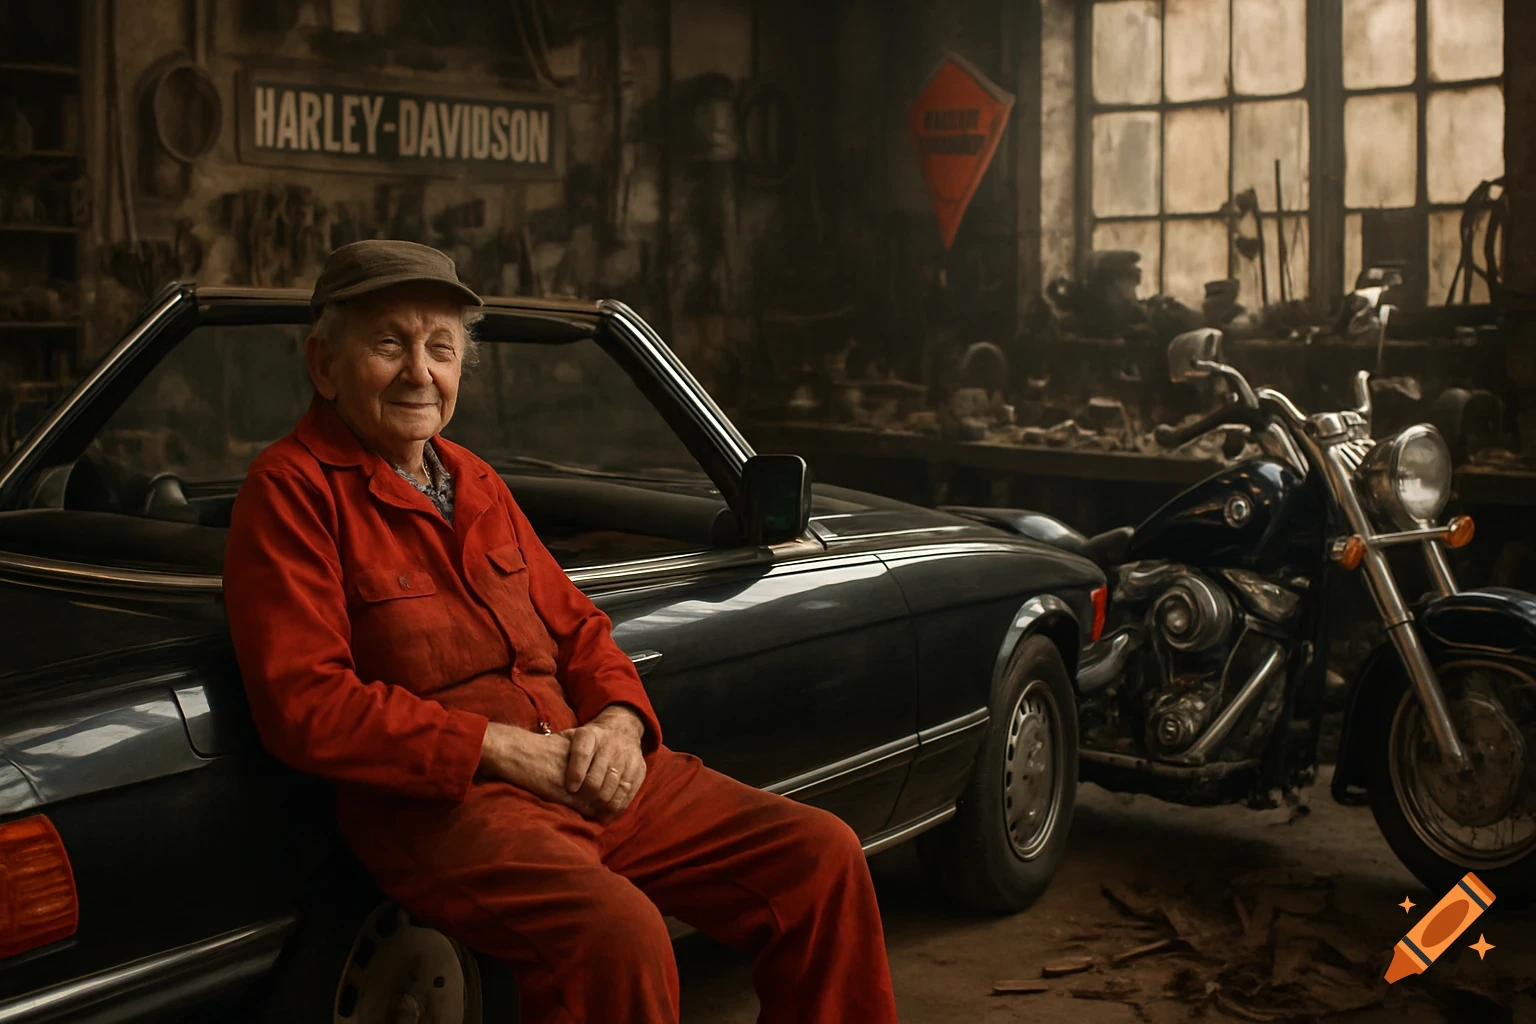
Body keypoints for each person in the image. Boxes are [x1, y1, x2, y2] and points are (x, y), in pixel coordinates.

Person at [222, 239, 900, 1023]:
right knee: (618, 936)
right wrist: (503, 750)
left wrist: (617, 724)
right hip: (451, 806)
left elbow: (580, 630)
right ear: (324, 365)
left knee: (820, 858)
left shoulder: (471, 478)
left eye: (441, 349)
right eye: (388, 344)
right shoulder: (289, 491)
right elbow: (306, 704)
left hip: (581, 766)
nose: (420, 371)